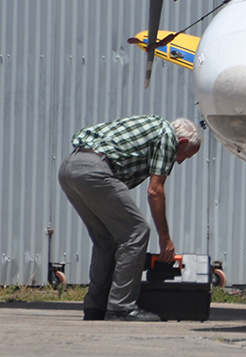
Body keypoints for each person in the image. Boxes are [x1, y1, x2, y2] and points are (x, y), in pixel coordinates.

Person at [57, 115, 201, 321]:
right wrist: (165, 239)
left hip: (69, 169)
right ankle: (121, 308)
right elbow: (155, 191)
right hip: (95, 171)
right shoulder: (168, 136)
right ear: (183, 142)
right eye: (184, 156)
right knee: (137, 231)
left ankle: (95, 307)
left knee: (105, 240)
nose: (178, 161)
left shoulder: (148, 124)